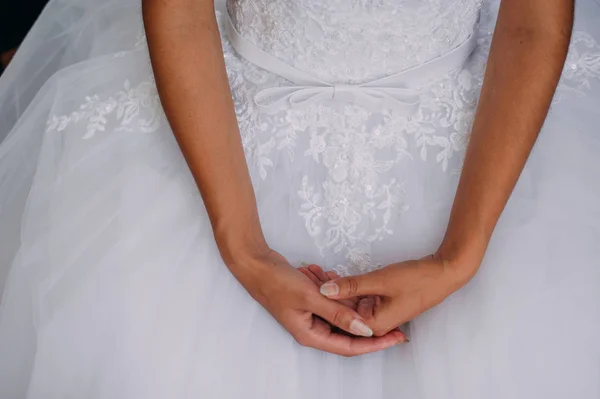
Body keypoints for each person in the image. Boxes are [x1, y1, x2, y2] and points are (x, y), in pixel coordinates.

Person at [0, 0, 599, 397]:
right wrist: (243, 248)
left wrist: (461, 256)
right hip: (227, 113)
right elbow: (180, 13)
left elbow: (534, 21)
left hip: (478, 121)